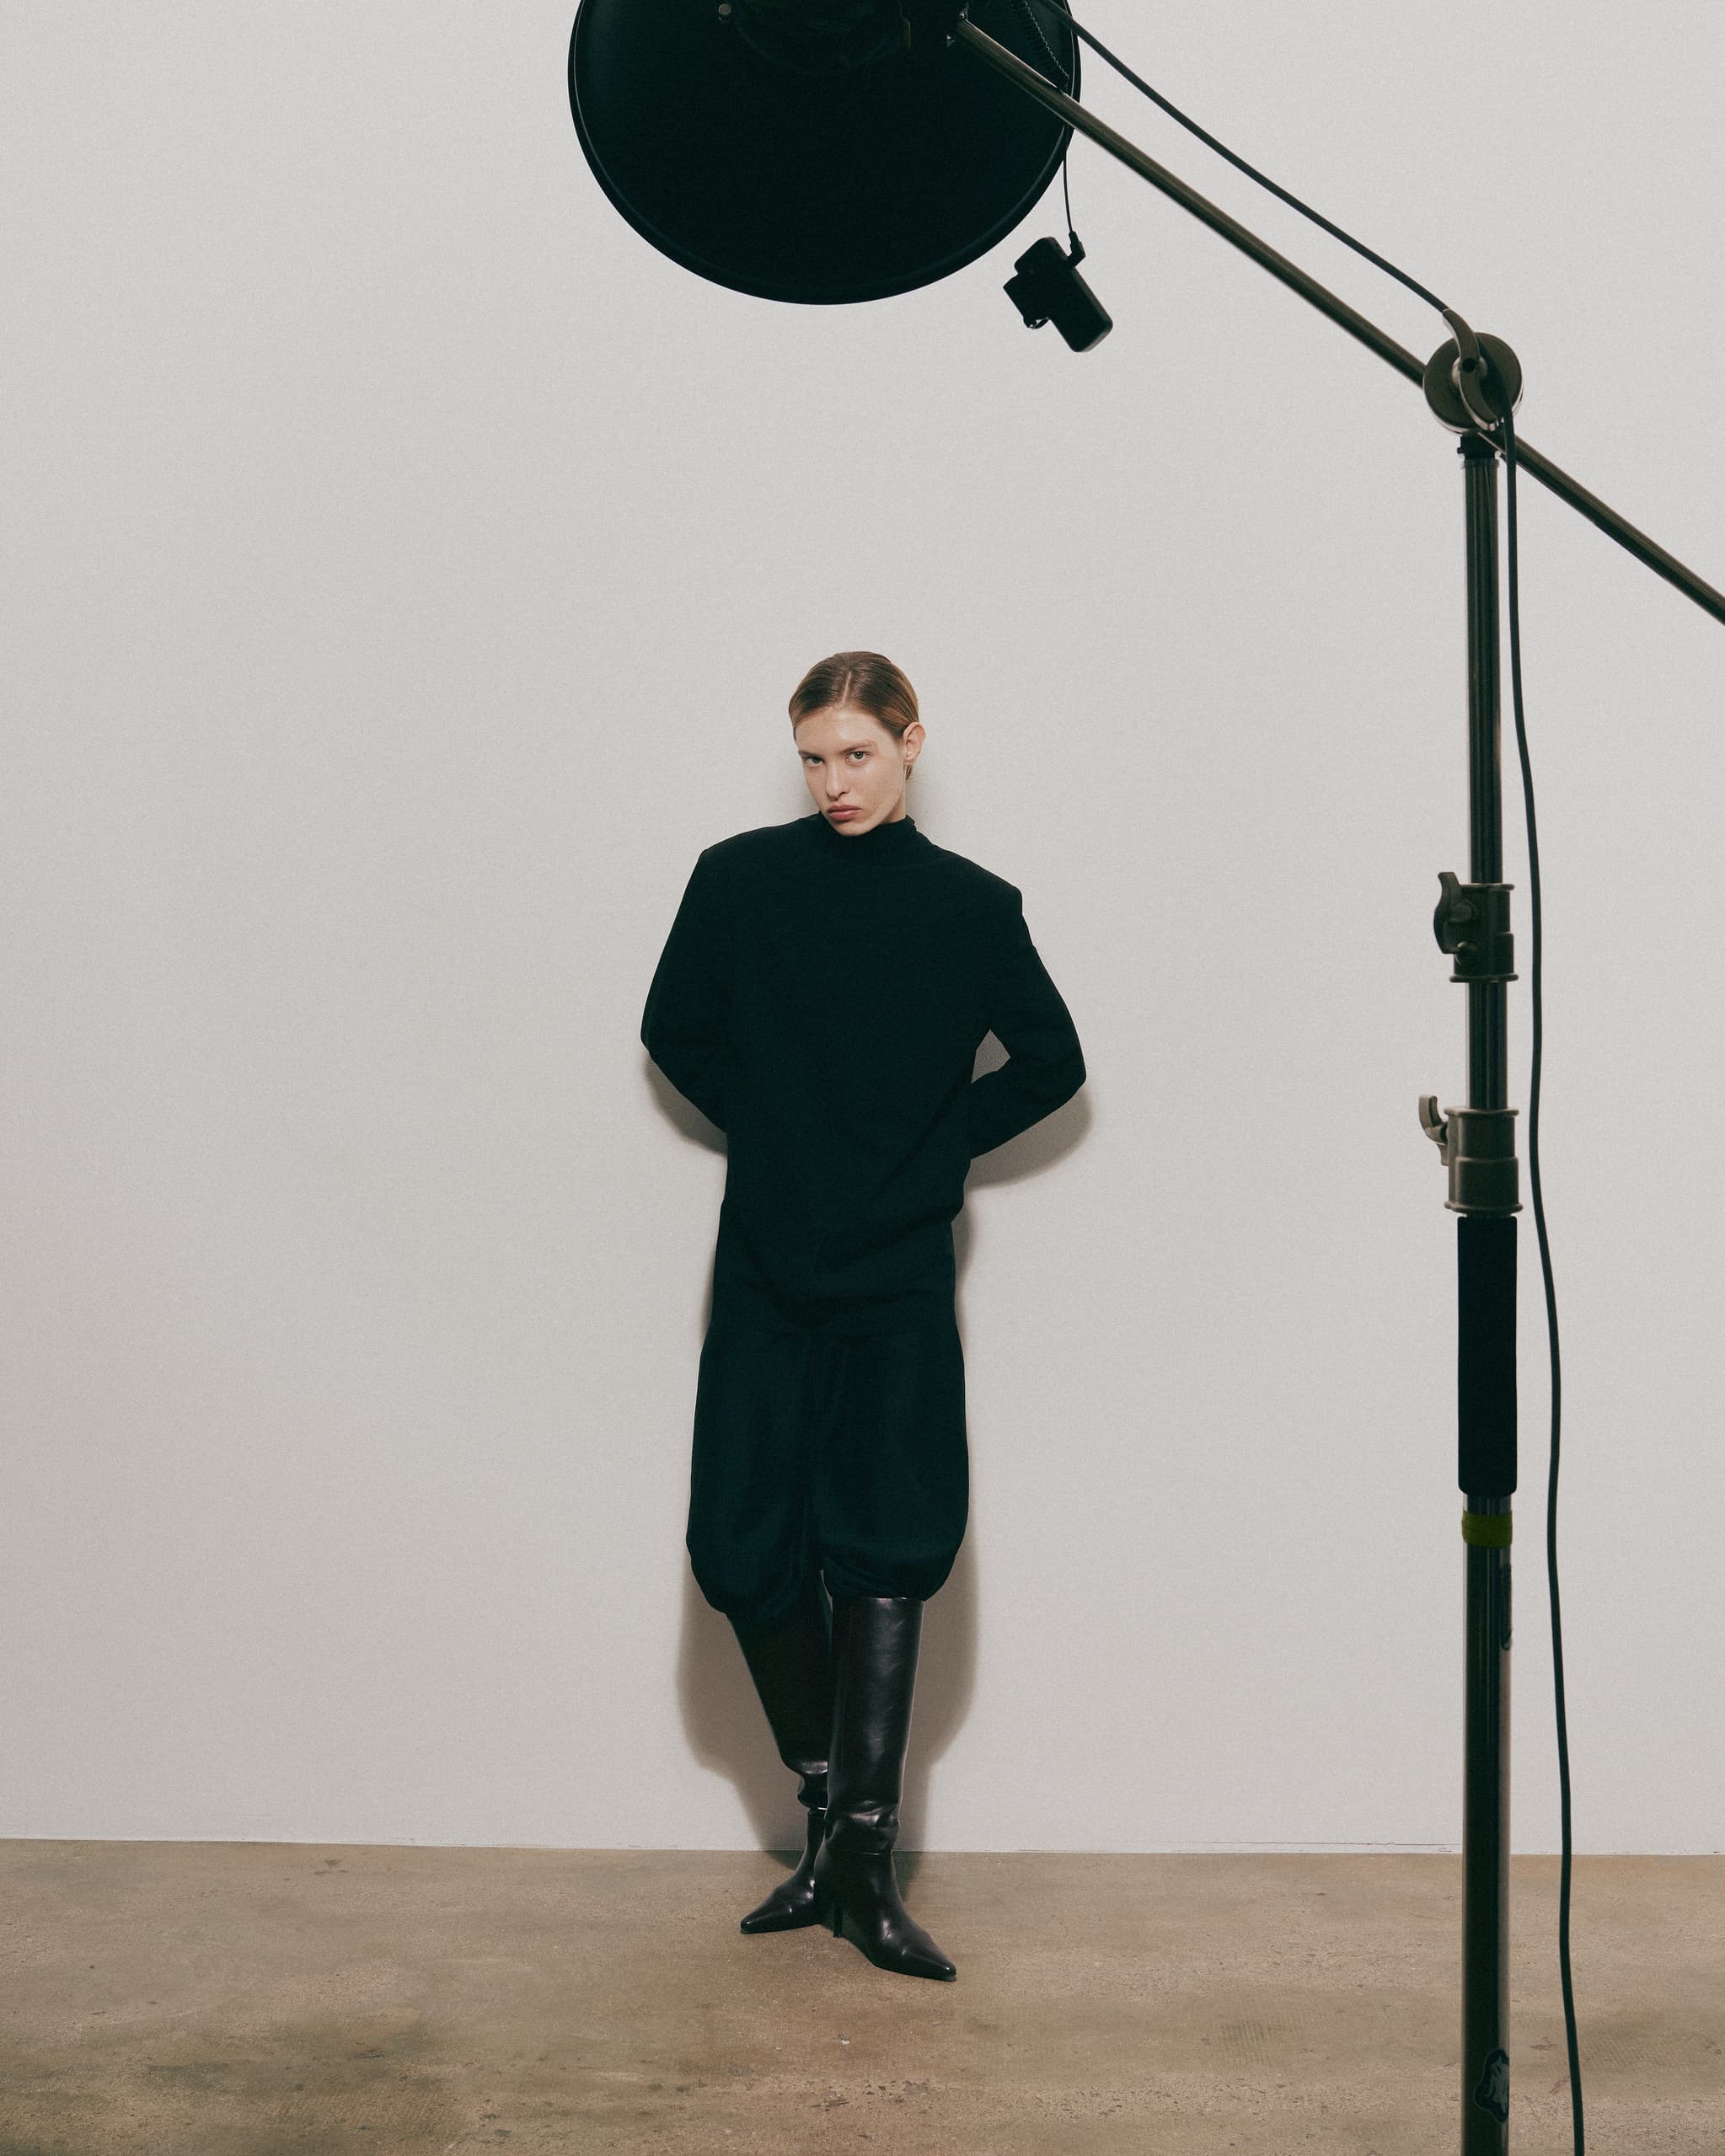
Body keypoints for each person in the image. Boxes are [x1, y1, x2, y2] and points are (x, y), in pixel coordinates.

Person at [640, 650, 1086, 1982]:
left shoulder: (968, 905)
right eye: (814, 759)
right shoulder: (738, 882)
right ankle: (830, 1817)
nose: (835, 784)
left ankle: (864, 1868)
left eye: (859, 756)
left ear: (911, 746)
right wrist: (784, 1135)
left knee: (888, 1542)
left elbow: (1056, 1060)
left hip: (895, 1271)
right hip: (770, 1260)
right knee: (740, 1541)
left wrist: (933, 1149)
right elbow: (673, 1026)